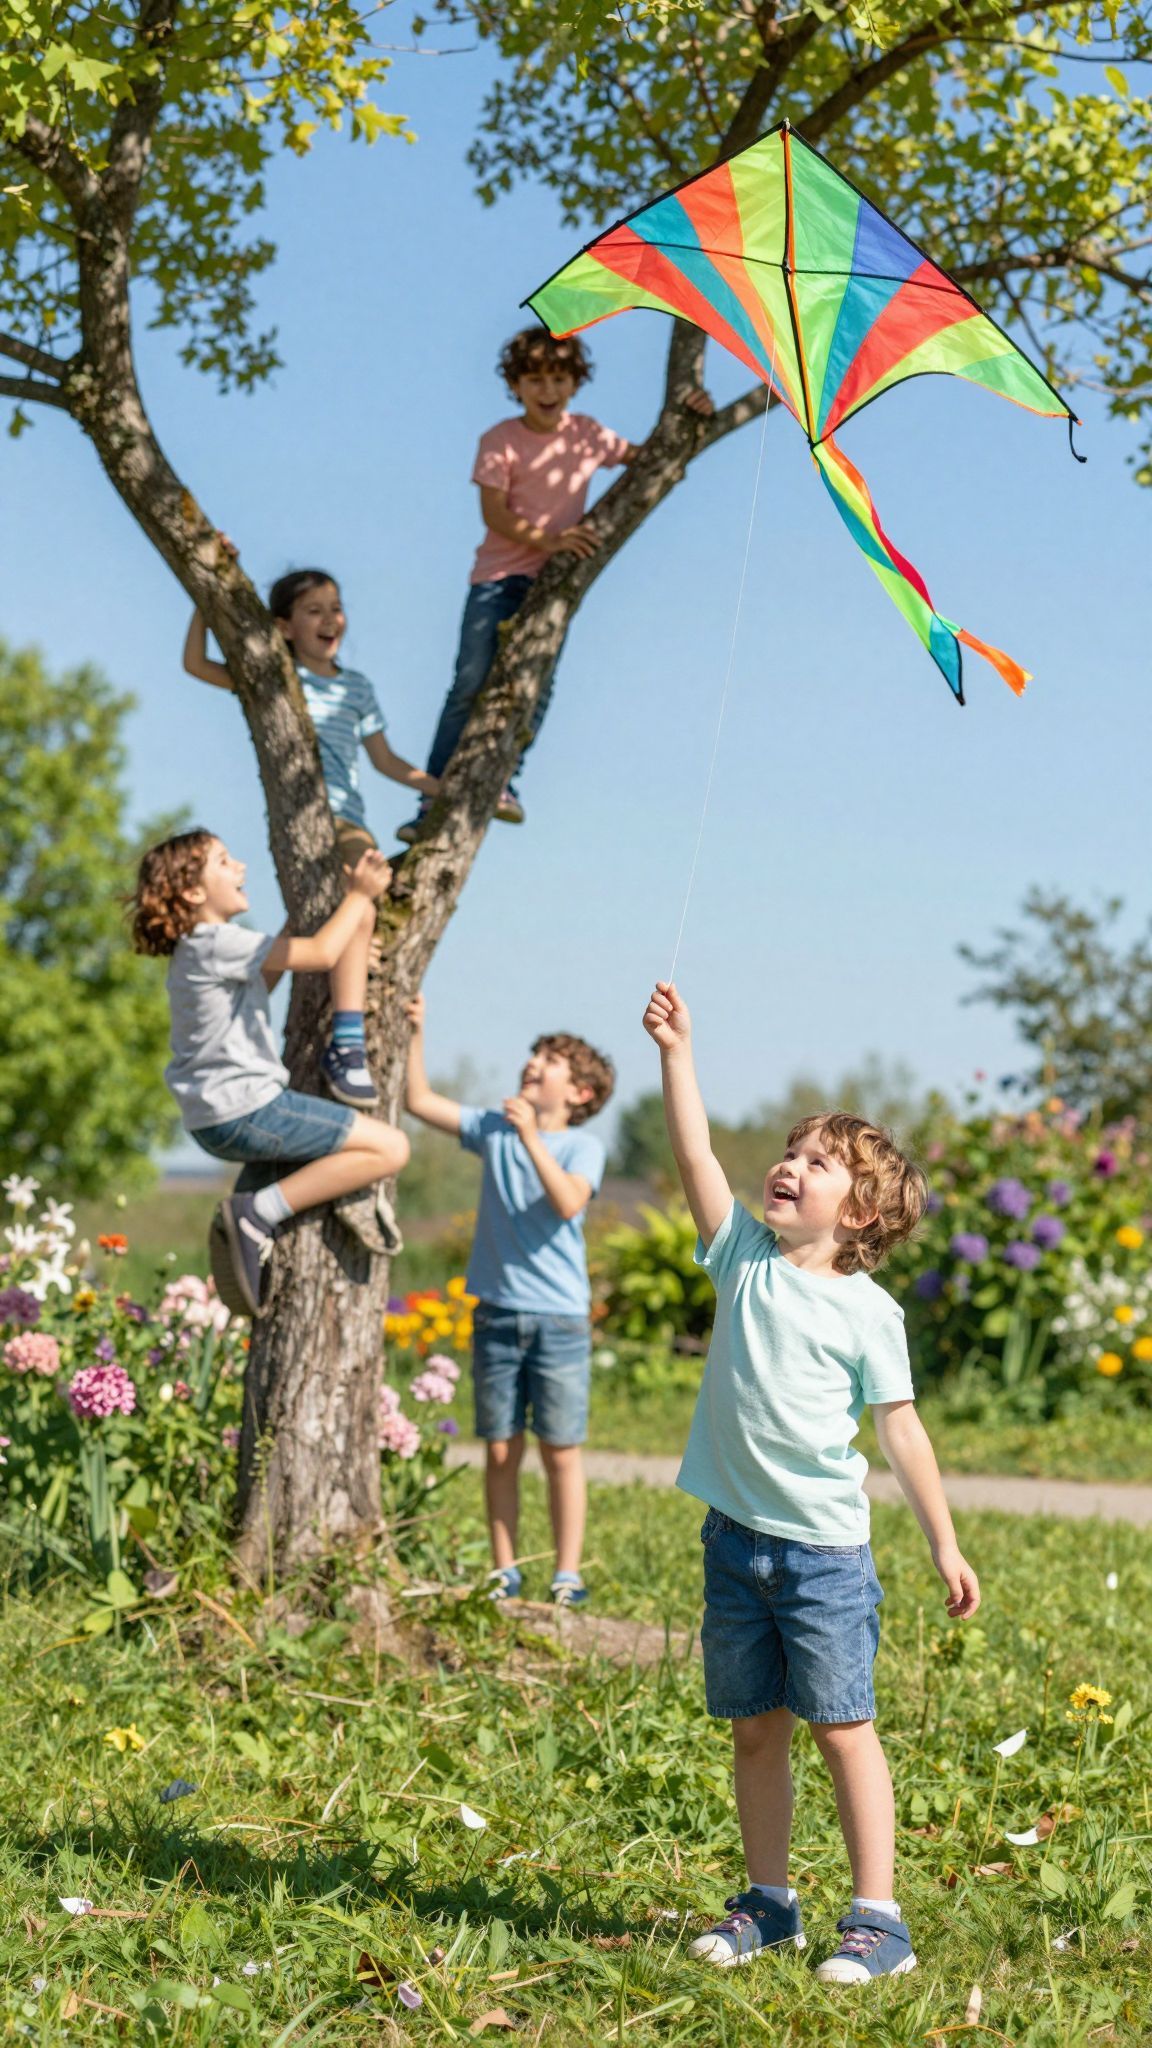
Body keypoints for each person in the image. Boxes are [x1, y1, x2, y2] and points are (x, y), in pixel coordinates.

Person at [642, 979, 980, 1986]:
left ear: (861, 1206)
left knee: (843, 1727)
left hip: (826, 1553)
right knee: (755, 1728)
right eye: (791, 1151)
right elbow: (697, 1151)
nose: (789, 1164)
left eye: (818, 1161)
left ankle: (879, 1916)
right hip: (735, 1541)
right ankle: (770, 1902)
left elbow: (903, 1432)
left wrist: (945, 1541)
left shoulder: (870, 1313)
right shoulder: (742, 1256)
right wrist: (677, 1048)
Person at [396, 328, 711, 841]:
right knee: (469, 684)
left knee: (537, 686)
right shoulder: (499, 440)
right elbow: (494, 515)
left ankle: (505, 782)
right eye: (535, 379)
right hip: (497, 581)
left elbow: (651, 455)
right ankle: (428, 801)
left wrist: (692, 412)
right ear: (515, 385)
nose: (547, 389)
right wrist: (553, 539)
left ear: (575, 383)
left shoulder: (586, 434)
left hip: (555, 586)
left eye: (558, 378)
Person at [183, 553, 439, 1106]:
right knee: (350, 910)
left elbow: (385, 760)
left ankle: (257, 1001)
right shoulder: (274, 677)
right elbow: (197, 665)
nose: (330, 619)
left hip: (348, 820)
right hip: (298, 816)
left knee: (350, 906)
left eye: (337, 608)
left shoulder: (358, 688)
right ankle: (347, 1044)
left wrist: (440, 787)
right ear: (284, 626)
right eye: (314, 610)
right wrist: (205, 597)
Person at [131, 829, 410, 1315]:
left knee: (344, 1157)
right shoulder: (215, 941)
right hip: (250, 1109)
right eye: (224, 861)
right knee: (391, 1147)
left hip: (214, 1121)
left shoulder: (196, 951)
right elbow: (320, 955)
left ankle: (254, 1213)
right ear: (194, 892)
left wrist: (301, 925)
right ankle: (257, 1212)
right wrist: (360, 896)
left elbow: (267, 977)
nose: (240, 867)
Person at [404, 993, 614, 1604]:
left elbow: (569, 1202)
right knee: (500, 1447)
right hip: (495, 1311)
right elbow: (419, 1101)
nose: (534, 1063)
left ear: (579, 1094)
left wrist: (528, 1137)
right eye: (535, 1054)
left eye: (551, 1059)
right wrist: (418, 1032)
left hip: (560, 1320)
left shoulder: (581, 1147)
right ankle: (506, 1567)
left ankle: (566, 1573)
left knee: (560, 1450)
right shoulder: (494, 1129)